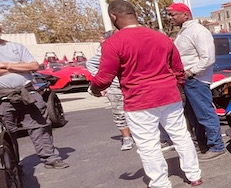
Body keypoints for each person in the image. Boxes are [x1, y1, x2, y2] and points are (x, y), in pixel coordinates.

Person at [90, 0, 202, 188]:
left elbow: (104, 77)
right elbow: (178, 68)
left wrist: (95, 88)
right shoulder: (161, 38)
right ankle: (194, 175)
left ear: (114, 17)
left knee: (148, 144)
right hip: (169, 95)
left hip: (140, 100)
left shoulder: (113, 43)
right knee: (181, 135)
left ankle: (161, 186)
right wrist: (176, 86)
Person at [0, 25, 69, 168]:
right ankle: (11, 165)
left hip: (27, 93)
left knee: (41, 125)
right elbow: (26, 67)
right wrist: (20, 67)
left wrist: (7, 66)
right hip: (3, 97)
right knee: (6, 133)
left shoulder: (16, 47)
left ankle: (50, 158)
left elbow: (33, 66)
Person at [166, 2, 226, 161]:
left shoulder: (198, 31)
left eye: (173, 15)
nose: (170, 18)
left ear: (185, 15)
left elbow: (208, 57)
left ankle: (217, 146)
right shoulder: (184, 32)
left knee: (205, 114)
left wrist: (191, 72)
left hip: (196, 79)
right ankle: (203, 144)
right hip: (187, 80)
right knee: (193, 116)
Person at [85, 30, 134, 151]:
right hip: (116, 88)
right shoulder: (103, 53)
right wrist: (104, 79)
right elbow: (90, 64)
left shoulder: (129, 48)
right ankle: (127, 138)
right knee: (119, 114)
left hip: (132, 85)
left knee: (140, 112)